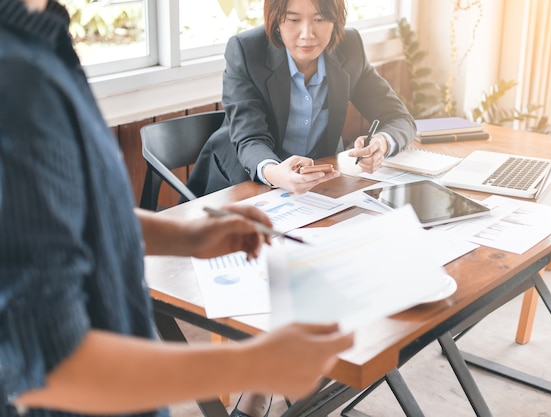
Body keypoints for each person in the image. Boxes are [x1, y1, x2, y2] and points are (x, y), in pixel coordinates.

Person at [0, 2, 354, 417]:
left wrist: (185, 235)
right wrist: (254, 364)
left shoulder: (42, 37)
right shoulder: (14, 80)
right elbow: (54, 368)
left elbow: (66, 217)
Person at [186, 0, 417, 197]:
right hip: (242, 181)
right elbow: (250, 139)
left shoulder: (349, 47)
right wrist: (276, 173)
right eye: (294, 20)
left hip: (313, 190)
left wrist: (382, 144)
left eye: (319, 19)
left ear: (335, 19)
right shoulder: (247, 51)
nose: (307, 34)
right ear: (277, 20)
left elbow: (399, 117)